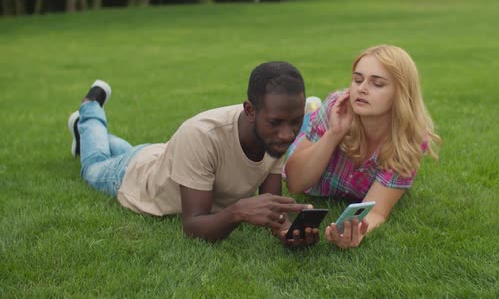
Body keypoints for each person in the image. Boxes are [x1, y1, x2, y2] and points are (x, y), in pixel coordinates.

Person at [67, 61, 320, 247]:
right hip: (135, 176)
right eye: (277, 123)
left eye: (296, 121)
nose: (288, 134)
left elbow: (271, 207)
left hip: (163, 156)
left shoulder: (273, 131)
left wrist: (289, 232)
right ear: (250, 110)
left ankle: (90, 132)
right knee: (93, 165)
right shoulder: (201, 135)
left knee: (122, 150)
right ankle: (89, 111)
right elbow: (193, 226)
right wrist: (238, 211)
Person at [284, 45, 441, 249]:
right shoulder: (337, 107)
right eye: (358, 80)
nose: (362, 88)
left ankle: (311, 114)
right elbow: (295, 184)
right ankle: (310, 113)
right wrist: (333, 134)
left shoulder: (408, 139)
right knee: (292, 134)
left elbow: (376, 211)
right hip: (322, 130)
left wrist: (358, 233)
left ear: (400, 93)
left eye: (377, 83)